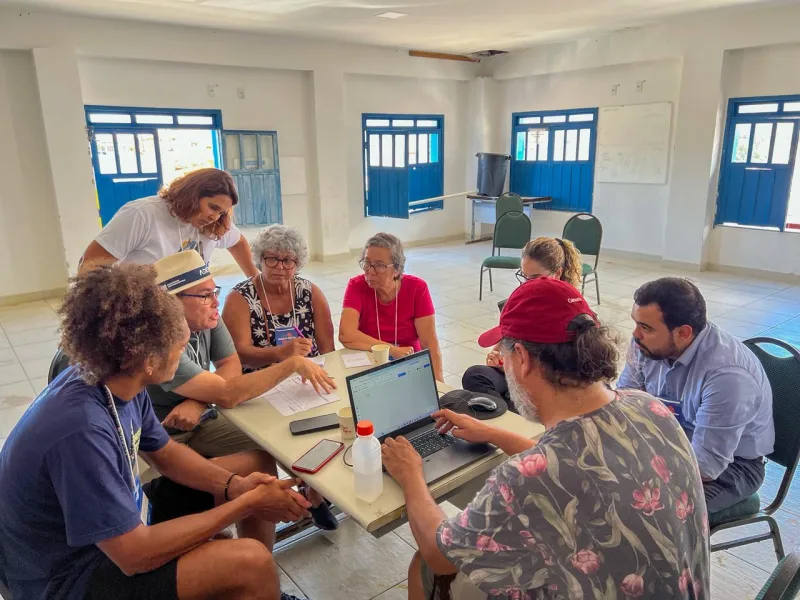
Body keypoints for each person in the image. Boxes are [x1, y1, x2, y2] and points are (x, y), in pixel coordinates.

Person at [382, 277, 709, 600]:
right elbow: (580, 465)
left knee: (423, 565)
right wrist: (493, 433)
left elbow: (441, 554)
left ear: (522, 359)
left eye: (503, 352)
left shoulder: (524, 479)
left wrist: (411, 474)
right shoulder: (649, 406)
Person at [0, 263, 310, 600]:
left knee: (251, 468)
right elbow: (133, 555)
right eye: (179, 345)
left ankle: (258, 591)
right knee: (248, 561)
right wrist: (247, 504)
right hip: (66, 575)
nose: (185, 351)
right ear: (146, 358)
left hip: (118, 526)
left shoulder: (117, 379)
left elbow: (165, 453)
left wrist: (236, 487)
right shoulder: (81, 429)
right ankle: (258, 584)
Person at [149, 250, 338, 531]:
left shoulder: (207, 318)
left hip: (201, 419)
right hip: (166, 436)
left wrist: (200, 402)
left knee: (278, 431)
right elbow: (227, 393)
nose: (215, 301)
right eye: (205, 295)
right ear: (172, 304)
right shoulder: (161, 341)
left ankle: (307, 500)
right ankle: (255, 551)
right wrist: (291, 363)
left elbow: (230, 364)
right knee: (259, 464)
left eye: (215, 292)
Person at [617, 277, 774, 514]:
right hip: (673, 443)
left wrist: (641, 470)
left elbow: (705, 467)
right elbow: (625, 404)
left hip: (732, 467)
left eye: (647, 328)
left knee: (652, 517)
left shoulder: (727, 376)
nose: (636, 334)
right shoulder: (646, 343)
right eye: (636, 323)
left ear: (683, 332)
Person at [462, 237, 583, 405]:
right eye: (523, 276)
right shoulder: (518, 300)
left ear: (557, 273)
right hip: (519, 373)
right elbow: (502, 344)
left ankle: (515, 417)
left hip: (549, 380)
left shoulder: (571, 309)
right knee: (475, 375)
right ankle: (509, 417)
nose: (526, 284)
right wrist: (497, 357)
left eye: (534, 278)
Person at [79, 168, 258, 277]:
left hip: (195, 309)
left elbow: (238, 243)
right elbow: (90, 265)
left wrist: (255, 280)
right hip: (147, 312)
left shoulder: (212, 224)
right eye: (212, 207)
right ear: (192, 195)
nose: (215, 217)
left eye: (221, 212)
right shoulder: (142, 214)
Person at [223, 224, 335, 372]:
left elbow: (328, 350)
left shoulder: (310, 293)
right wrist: (280, 353)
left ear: (297, 263)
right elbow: (238, 355)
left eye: (288, 260)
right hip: (261, 379)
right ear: (260, 259)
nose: (280, 267)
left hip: (307, 374)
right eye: (272, 259)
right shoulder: (239, 298)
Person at [339, 232, 444, 381]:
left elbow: (430, 344)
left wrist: (440, 388)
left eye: (380, 265)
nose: (370, 271)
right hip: (369, 362)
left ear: (397, 269)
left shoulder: (417, 288)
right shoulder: (356, 285)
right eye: (367, 263)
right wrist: (392, 350)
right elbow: (346, 334)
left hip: (408, 363)